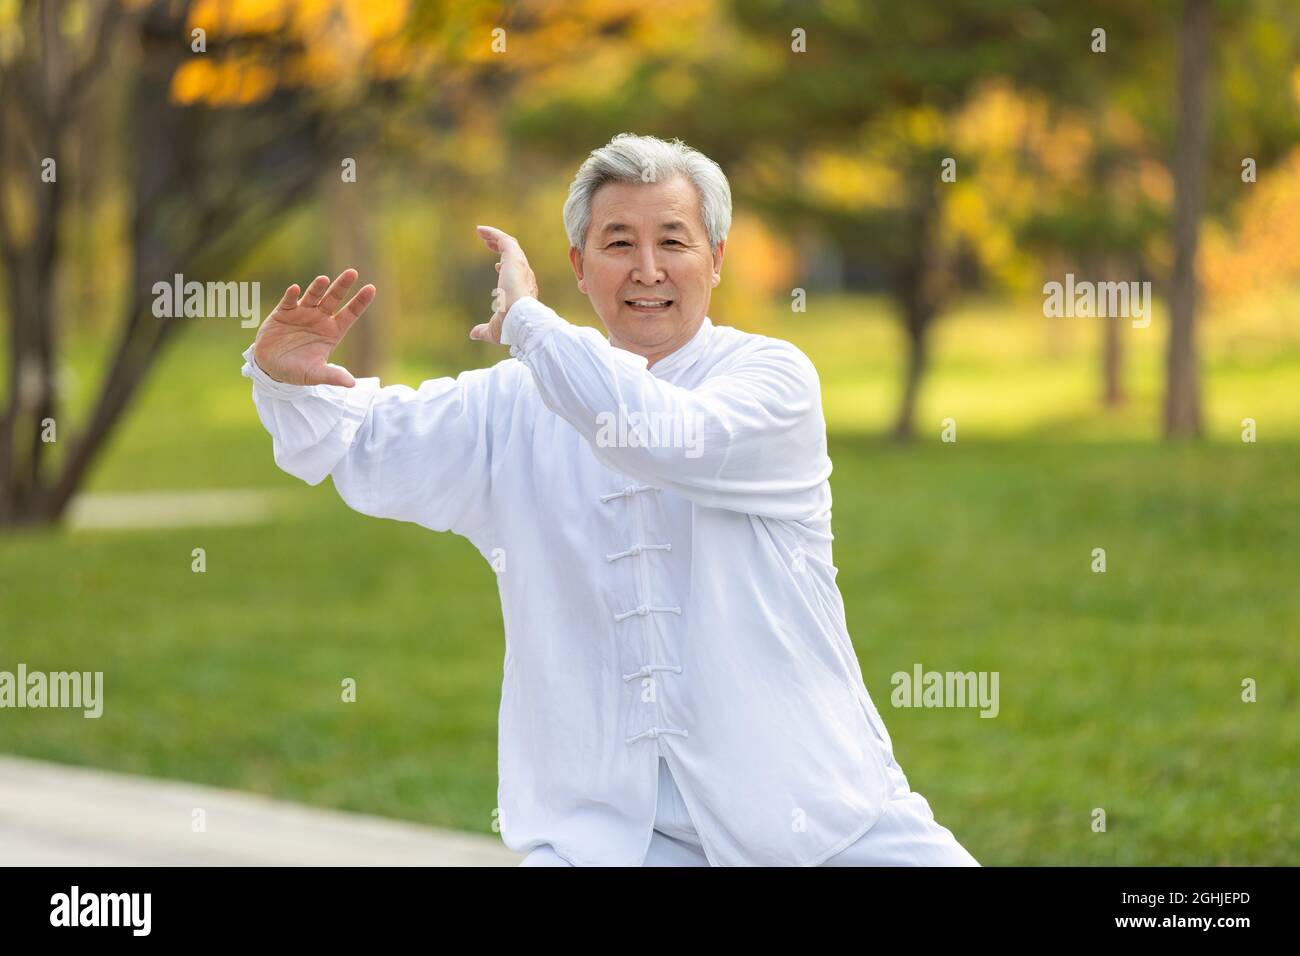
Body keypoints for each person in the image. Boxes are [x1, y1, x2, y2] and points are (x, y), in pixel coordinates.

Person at [242, 132, 978, 867]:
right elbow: (367, 441)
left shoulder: (774, 380)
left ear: (716, 259)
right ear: (580, 268)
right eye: (619, 242)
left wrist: (529, 323)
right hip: (608, 840)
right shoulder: (514, 402)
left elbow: (656, 433)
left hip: (816, 819)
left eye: (674, 241)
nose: (648, 270)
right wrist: (285, 377)